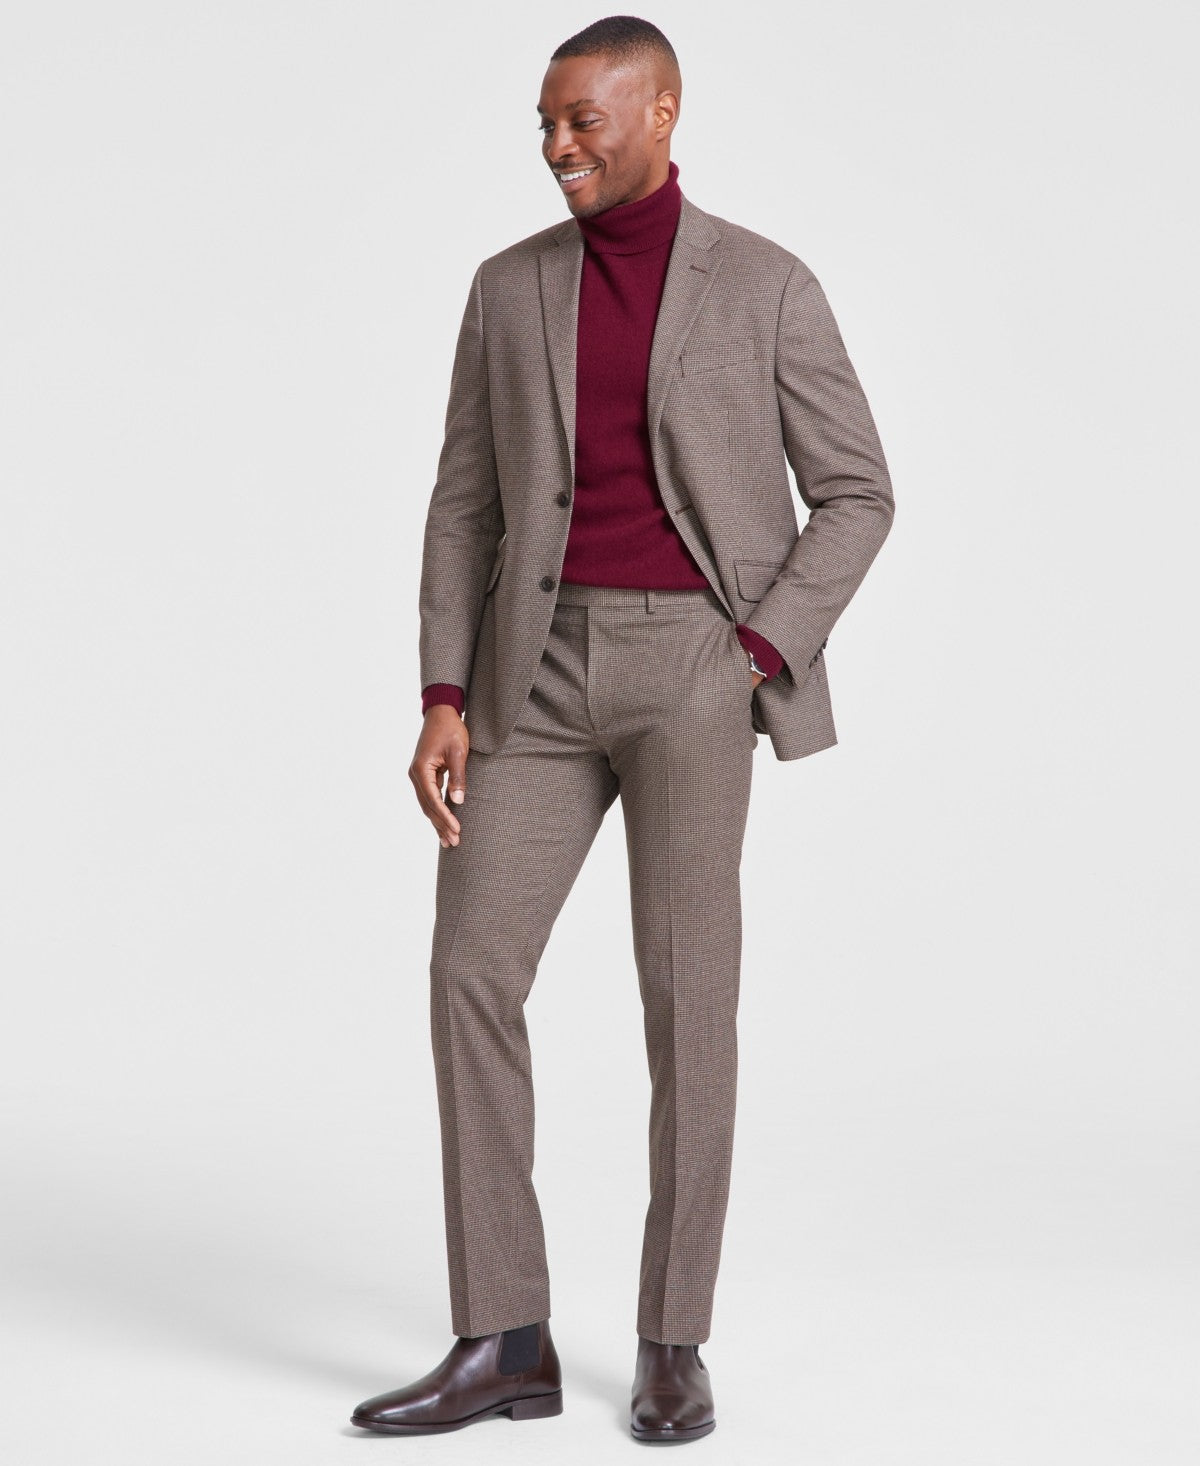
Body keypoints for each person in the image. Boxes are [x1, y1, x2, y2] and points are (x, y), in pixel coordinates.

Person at [350, 13, 894, 1444]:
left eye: (581, 119)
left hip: (692, 666)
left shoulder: (765, 283)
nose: (557, 146)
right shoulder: (507, 286)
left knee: (685, 996)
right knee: (471, 966)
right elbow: (463, 503)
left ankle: (671, 1338)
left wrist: (754, 652)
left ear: (661, 111)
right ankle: (504, 1334)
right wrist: (444, 693)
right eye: (543, 123)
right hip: (529, 669)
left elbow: (859, 491)